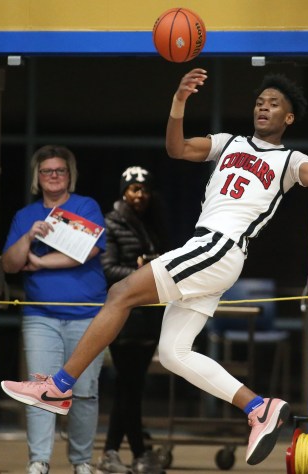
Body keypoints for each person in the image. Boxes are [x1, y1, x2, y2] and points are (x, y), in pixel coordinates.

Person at [2, 68, 308, 466]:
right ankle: (259, 407)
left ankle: (59, 386)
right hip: (211, 250)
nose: (263, 108)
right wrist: (179, 101)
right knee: (172, 352)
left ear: (288, 118)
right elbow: (177, 148)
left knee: (119, 294)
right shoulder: (229, 142)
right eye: (259, 102)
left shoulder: (290, 159)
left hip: (219, 246)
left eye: (273, 104)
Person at [1, 145, 107, 474]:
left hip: (88, 315)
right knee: (38, 391)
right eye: (47, 171)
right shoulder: (26, 216)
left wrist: (40, 261)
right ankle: (39, 461)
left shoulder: (86, 206)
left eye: (60, 170)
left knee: (86, 393)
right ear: (38, 177)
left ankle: (81, 463)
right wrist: (29, 238)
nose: (54, 176)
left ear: (69, 175)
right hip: (40, 316)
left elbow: (87, 251)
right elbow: (10, 264)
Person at [97, 166, 167, 474]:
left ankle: (124, 453)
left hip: (149, 316)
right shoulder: (111, 223)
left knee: (133, 388)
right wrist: (143, 274)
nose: (140, 196)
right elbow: (108, 269)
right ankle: (130, 453)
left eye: (145, 190)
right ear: (123, 191)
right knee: (128, 387)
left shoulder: (150, 224)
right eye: (134, 190)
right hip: (124, 318)